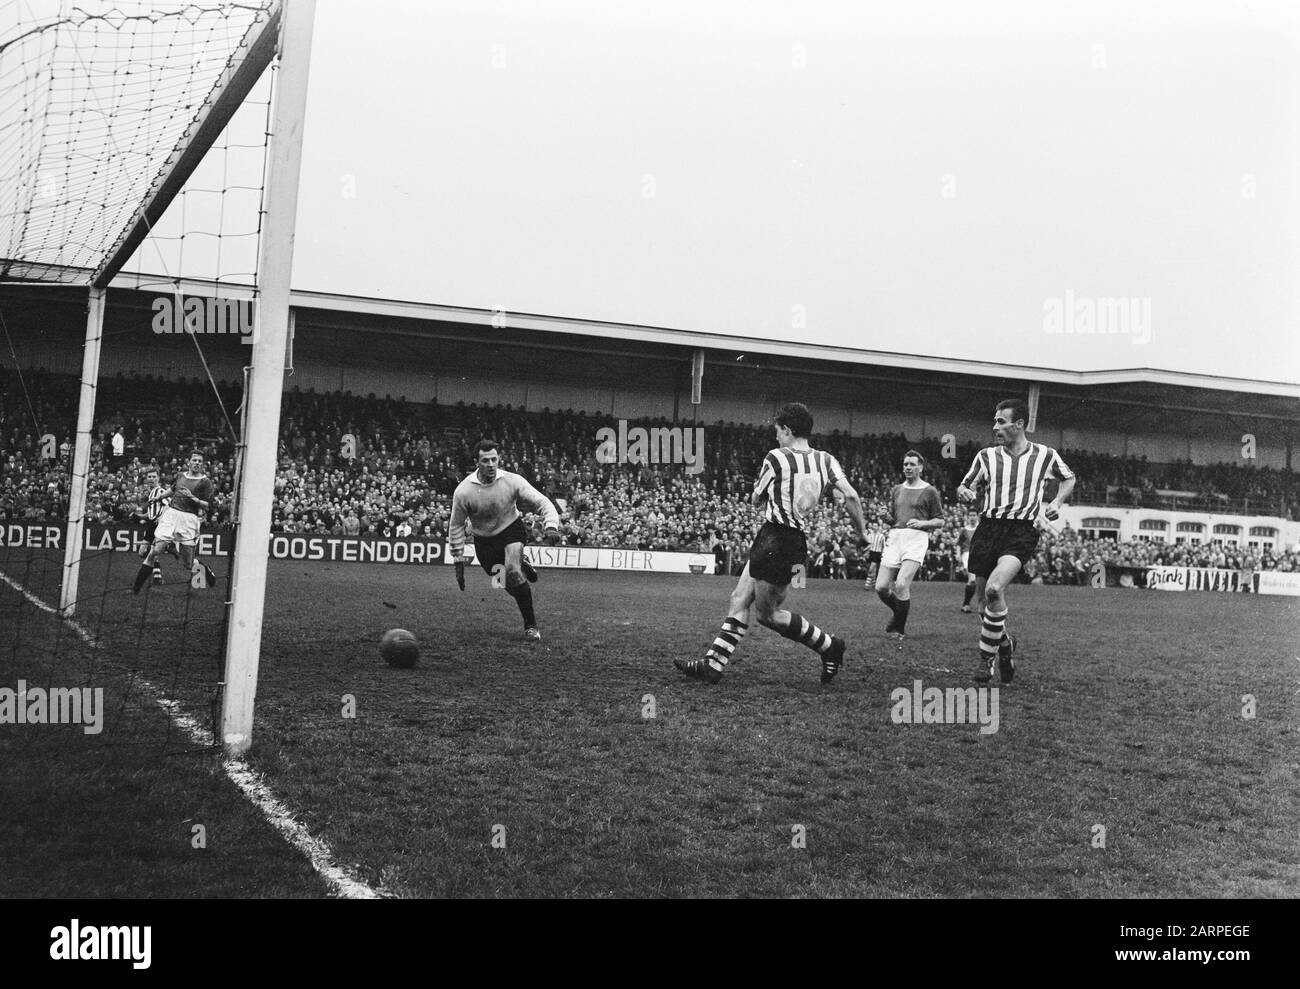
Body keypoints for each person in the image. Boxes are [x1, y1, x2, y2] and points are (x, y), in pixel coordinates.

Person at [676, 402, 867, 686]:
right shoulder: (826, 460)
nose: (776, 436)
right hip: (788, 539)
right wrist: (862, 533)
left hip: (777, 539)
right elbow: (851, 496)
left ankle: (830, 646)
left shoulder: (776, 457)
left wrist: (765, 496)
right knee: (739, 598)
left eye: (778, 430)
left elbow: (755, 498)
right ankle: (712, 665)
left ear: (788, 430)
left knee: (768, 615)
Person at [957, 400, 1075, 684]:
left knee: (996, 590)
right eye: (995, 421)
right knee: (985, 603)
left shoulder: (1045, 455)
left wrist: (1057, 501)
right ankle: (1006, 646)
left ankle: (986, 662)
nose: (995, 427)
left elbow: (1069, 478)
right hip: (988, 530)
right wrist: (964, 492)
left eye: (1001, 421)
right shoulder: (986, 456)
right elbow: (965, 484)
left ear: (1019, 424)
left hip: (1020, 532)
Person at [448, 439, 562, 642]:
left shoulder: (512, 481)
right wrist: (458, 560)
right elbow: (456, 525)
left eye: (494, 459)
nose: (491, 464)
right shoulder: (464, 491)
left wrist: (551, 525)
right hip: (483, 542)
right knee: (507, 585)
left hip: (511, 530)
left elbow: (542, 501)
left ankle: (531, 626)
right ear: (477, 462)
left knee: (512, 572)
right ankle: (522, 566)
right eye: (485, 460)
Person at [874, 450, 944, 639]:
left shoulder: (930, 491)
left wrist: (923, 523)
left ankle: (899, 629)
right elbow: (895, 520)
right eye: (906, 464)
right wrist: (885, 517)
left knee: (901, 583)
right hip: (895, 537)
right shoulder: (896, 489)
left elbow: (940, 520)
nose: (908, 467)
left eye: (912, 464)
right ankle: (898, 614)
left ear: (920, 467)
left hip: (916, 538)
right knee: (880, 587)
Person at [132, 452, 218, 594]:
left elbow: (208, 506)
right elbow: (172, 490)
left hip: (189, 519)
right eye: (194, 460)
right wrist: (159, 497)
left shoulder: (205, 482)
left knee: (188, 564)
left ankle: (205, 573)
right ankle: (136, 589)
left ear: (202, 464)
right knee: (155, 550)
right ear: (189, 462)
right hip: (171, 515)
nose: (197, 463)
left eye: (199, 461)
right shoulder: (180, 476)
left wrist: (193, 499)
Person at [136, 467, 171, 586]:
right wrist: (139, 516)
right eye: (149, 477)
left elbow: (169, 506)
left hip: (158, 526)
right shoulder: (151, 493)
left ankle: (157, 575)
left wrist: (161, 519)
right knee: (142, 552)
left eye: (153, 477)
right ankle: (155, 570)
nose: (151, 479)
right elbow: (151, 514)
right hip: (151, 525)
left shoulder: (160, 491)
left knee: (153, 551)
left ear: (158, 478)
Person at [958, 511, 979, 612]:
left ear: (977, 516)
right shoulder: (964, 530)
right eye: (970, 515)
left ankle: (967, 604)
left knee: (978, 581)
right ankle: (966, 604)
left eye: (974, 515)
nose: (972, 517)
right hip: (967, 555)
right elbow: (959, 543)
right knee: (972, 580)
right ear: (968, 517)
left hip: (980, 555)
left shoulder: (981, 529)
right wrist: (958, 554)